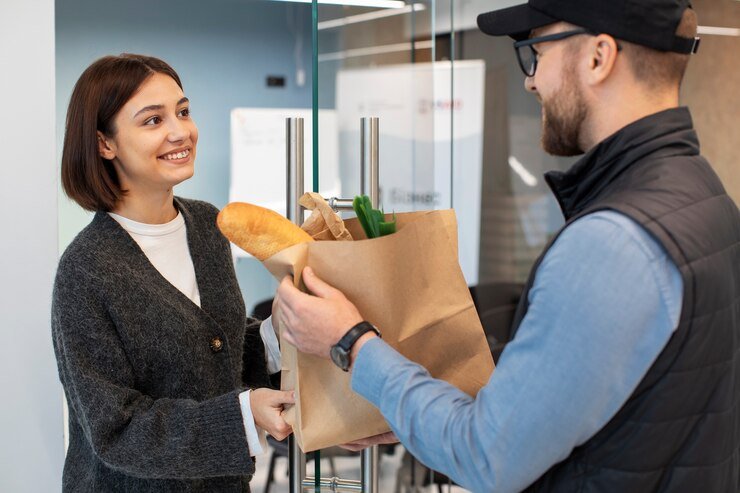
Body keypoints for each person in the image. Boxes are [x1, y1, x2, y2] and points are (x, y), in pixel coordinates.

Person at [273, 0, 740, 491]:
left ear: (599, 57)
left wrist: (352, 343)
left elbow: (488, 458)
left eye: (534, 51)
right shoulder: (707, 198)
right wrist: (408, 407)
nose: (530, 80)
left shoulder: (611, 243)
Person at [52, 54, 293, 492]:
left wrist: (281, 330)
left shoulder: (207, 226)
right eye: (152, 120)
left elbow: (219, 355)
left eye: (183, 111)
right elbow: (117, 430)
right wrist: (241, 417)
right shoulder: (86, 269)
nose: (181, 131)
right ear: (105, 143)